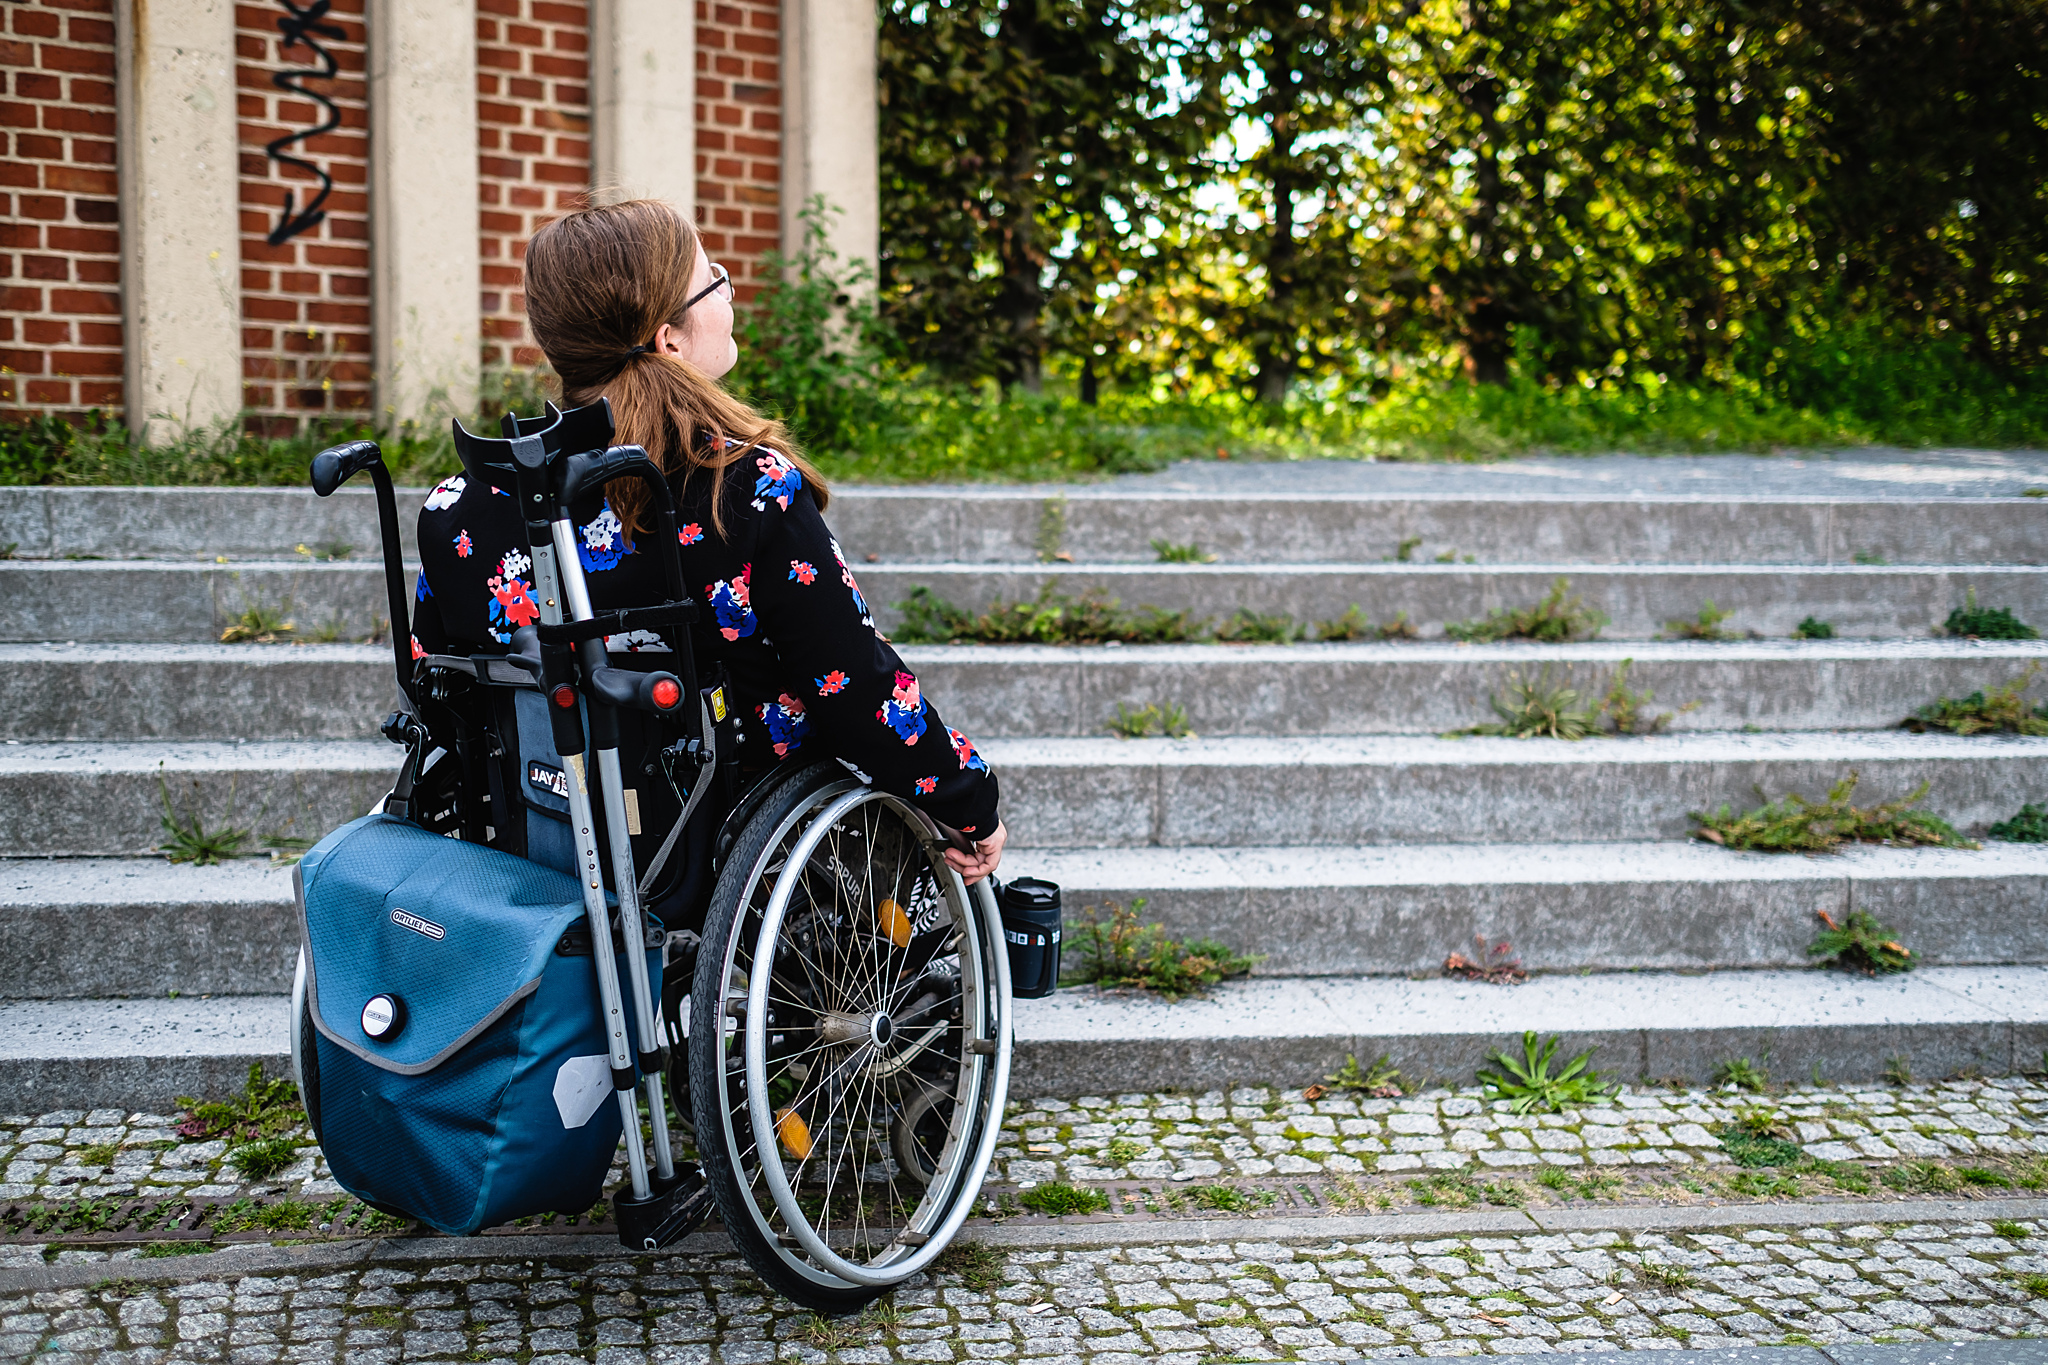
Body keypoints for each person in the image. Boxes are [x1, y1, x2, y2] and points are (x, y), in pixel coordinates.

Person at [408, 198, 1006, 885]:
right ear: (670, 339)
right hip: (714, 842)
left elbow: (442, 688)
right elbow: (856, 691)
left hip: (533, 832)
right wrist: (970, 799)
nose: (727, 289)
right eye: (713, 278)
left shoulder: (458, 508)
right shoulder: (743, 490)